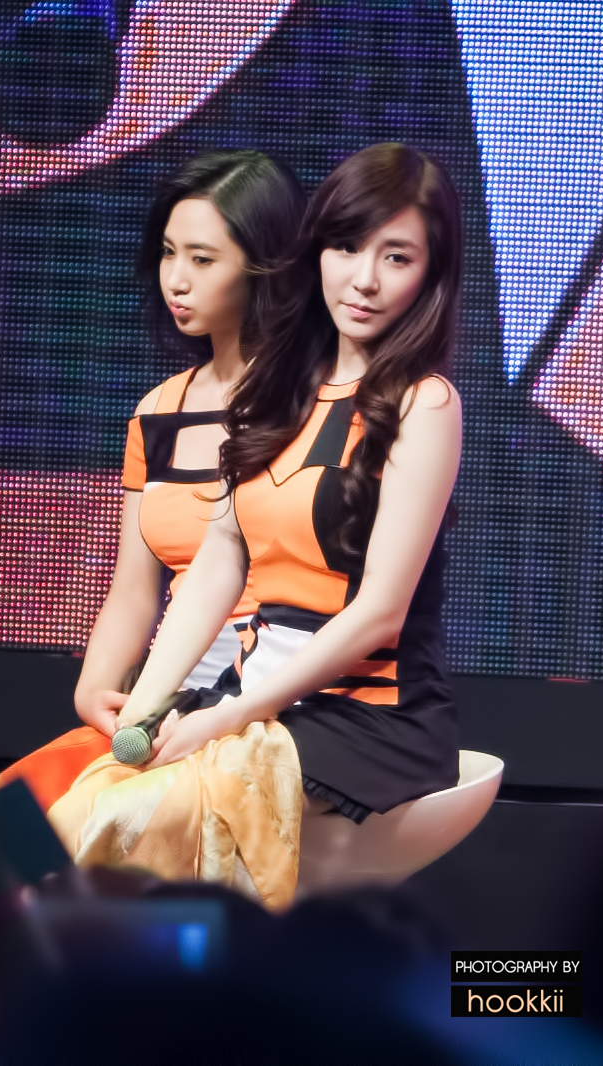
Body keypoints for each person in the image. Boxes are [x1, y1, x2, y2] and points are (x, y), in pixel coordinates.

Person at [49, 142, 462, 899]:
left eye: (397, 257)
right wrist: (144, 713)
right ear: (317, 252)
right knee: (71, 808)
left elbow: (380, 612)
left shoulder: (422, 403)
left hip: (366, 716)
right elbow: (218, 561)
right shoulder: (277, 389)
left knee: (131, 821)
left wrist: (228, 719)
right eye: (346, 247)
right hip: (254, 697)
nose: (364, 279)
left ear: (431, 275)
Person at [0, 150, 306, 811]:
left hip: (276, 696)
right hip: (167, 697)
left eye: (203, 259)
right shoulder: (158, 411)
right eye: (168, 253)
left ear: (264, 265)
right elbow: (134, 590)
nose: (176, 280)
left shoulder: (315, 406)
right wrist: (94, 690)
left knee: (80, 825)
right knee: (5, 817)